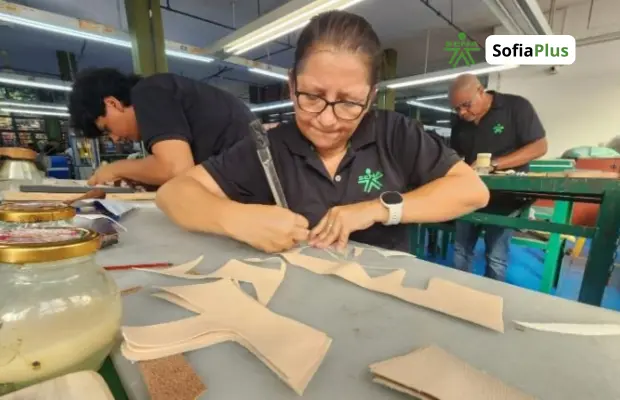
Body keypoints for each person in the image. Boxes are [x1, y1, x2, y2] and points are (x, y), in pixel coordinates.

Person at [155, 11, 490, 254]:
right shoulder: (269, 148)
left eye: (348, 103)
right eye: (312, 97)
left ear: (371, 97)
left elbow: (472, 190)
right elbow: (173, 194)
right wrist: (234, 218)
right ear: (291, 85)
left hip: (385, 299)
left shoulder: (395, 133)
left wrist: (376, 208)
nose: (327, 121)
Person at [68, 68, 255, 186]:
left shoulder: (148, 92)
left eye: (107, 129)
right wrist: (142, 177)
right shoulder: (162, 93)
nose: (115, 139)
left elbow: (175, 170)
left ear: (113, 104)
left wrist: (116, 168)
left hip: (250, 190)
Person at [449, 74, 547, 281]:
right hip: (470, 196)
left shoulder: (516, 107)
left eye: (466, 105)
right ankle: (458, 295)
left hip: (505, 198)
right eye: (457, 108)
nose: (462, 112)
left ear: (480, 91)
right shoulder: (460, 123)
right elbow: (455, 156)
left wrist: (493, 164)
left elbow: (540, 146)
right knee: (460, 252)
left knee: (496, 256)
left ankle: (489, 302)